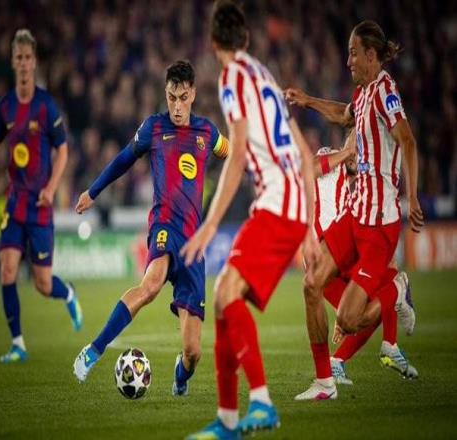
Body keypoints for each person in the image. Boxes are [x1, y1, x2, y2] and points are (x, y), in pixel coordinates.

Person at [182, 1, 319, 438]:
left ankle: (261, 403)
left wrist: (209, 224)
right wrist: (310, 227)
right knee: (224, 296)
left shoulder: (232, 78)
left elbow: (237, 154)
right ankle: (227, 420)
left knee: (225, 292)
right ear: (245, 38)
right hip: (288, 206)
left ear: (213, 42)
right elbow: (306, 156)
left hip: (277, 203)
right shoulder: (265, 77)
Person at [285, 20, 424, 400]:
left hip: (379, 225)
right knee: (311, 282)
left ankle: (397, 289)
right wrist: (308, 101)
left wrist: (412, 197)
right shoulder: (362, 96)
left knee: (348, 320)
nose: (348, 61)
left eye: (352, 53)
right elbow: (342, 115)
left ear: (371, 55)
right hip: (355, 215)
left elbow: (408, 140)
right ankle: (324, 382)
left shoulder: (385, 92)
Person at [72, 60, 229, 397]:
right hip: (165, 225)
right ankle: (94, 350)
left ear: (193, 95)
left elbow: (231, 151)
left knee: (193, 352)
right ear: (166, 94)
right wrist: (93, 192)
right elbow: (123, 160)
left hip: (194, 242)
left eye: (182, 98)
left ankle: (180, 376)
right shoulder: (153, 128)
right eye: (171, 97)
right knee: (151, 284)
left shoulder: (207, 132)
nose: (176, 106)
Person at [0, 29, 82, 364]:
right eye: (18, 58)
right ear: (13, 62)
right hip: (15, 201)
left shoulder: (46, 106)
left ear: (34, 62)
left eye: (27, 58)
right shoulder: (6, 105)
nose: (23, 63)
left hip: (40, 205)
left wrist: (51, 188)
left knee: (43, 284)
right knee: (7, 270)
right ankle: (18, 343)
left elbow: (63, 151)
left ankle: (69, 294)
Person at [312, 133, 418, 384]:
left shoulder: (355, 190)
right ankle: (398, 291)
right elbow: (312, 168)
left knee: (376, 299)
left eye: (361, 152)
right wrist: (346, 153)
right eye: (355, 147)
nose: (358, 155)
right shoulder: (331, 158)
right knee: (364, 311)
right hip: (323, 262)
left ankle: (377, 349)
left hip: (343, 258)